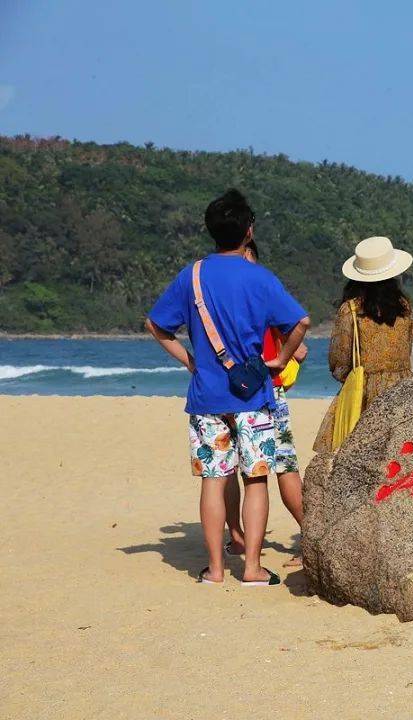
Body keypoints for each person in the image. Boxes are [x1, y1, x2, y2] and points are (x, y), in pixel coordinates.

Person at [145, 189, 309, 586]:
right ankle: (252, 568)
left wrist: (189, 360)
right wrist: (281, 359)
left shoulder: (192, 275)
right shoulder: (259, 276)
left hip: (206, 396)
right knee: (256, 480)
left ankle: (216, 569)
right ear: (248, 231)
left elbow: (157, 325)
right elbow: (300, 323)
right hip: (253, 395)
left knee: (213, 481)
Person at [238, 241, 307, 567]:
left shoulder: (230, 291)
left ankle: (240, 538)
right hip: (266, 389)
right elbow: (300, 344)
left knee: (252, 473)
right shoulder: (264, 290)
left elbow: (300, 342)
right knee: (277, 468)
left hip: (245, 390)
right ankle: (309, 535)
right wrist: (283, 357)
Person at [313, 236, 413, 453]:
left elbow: (339, 361)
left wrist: (352, 376)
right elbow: (411, 346)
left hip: (364, 391)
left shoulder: (351, 310)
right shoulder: (404, 308)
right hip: (403, 388)